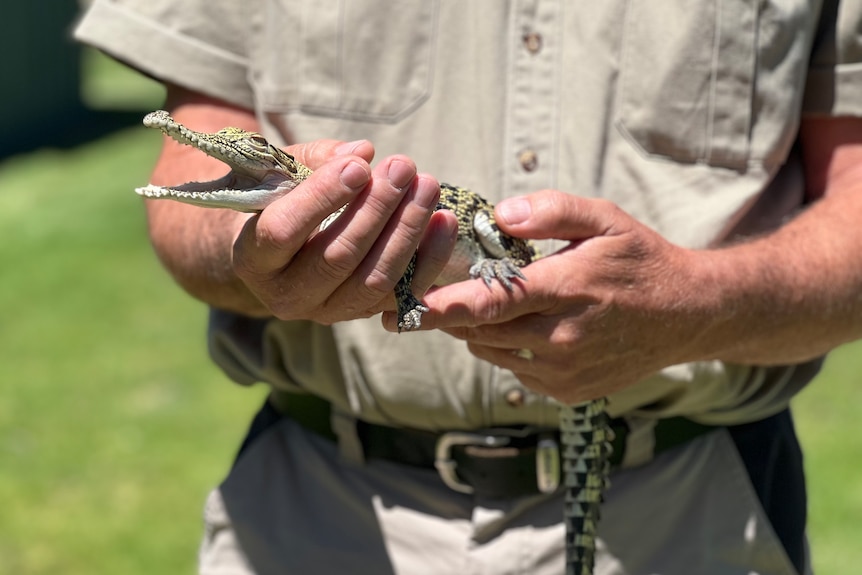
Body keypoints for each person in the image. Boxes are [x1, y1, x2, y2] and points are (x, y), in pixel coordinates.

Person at [76, 2, 862, 574]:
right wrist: (249, 251)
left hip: (692, 517)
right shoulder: (289, 180)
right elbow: (197, 145)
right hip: (320, 517)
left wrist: (697, 304)